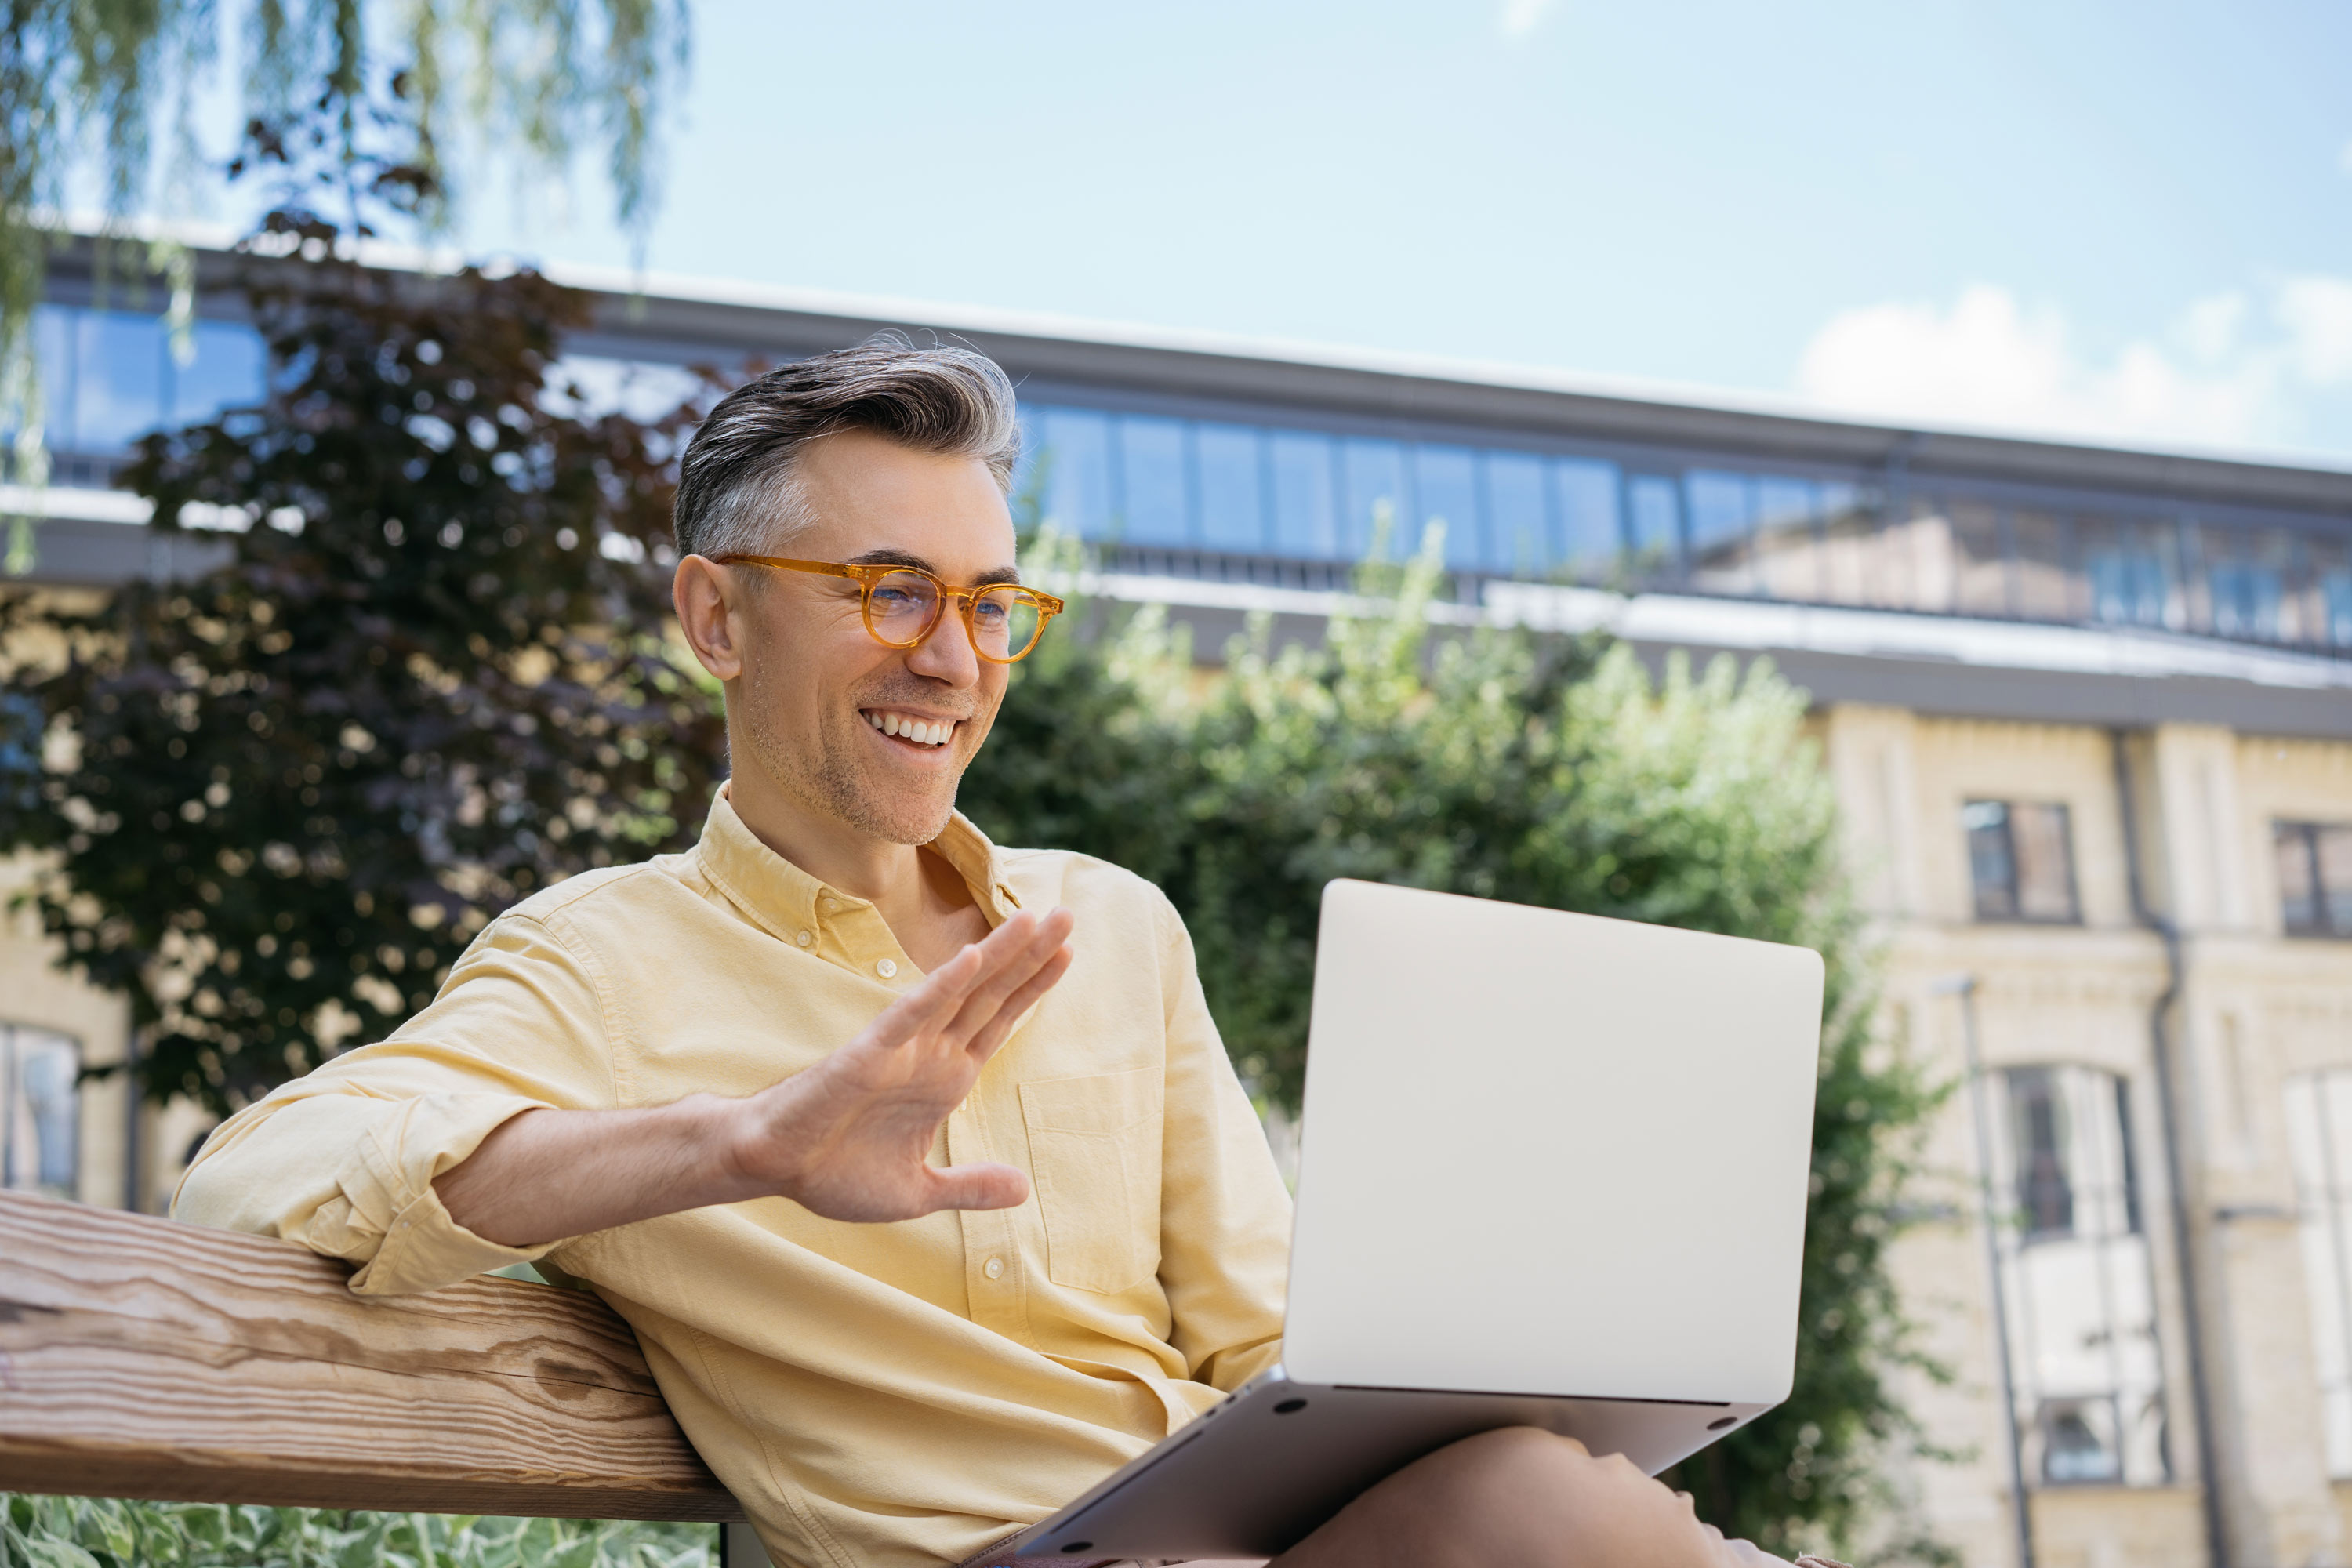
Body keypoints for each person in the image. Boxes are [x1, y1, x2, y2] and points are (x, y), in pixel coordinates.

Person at [175, 340, 1839, 1568]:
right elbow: (250, 1180)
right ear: (715, 617)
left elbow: (1263, 1339)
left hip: (1254, 1538)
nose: (955, 657)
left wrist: (1479, 1362)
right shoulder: (602, 966)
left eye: (992, 602)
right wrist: (743, 1143)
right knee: (1549, 1516)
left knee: (1560, 1497)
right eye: (891, 591)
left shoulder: (1108, 923)